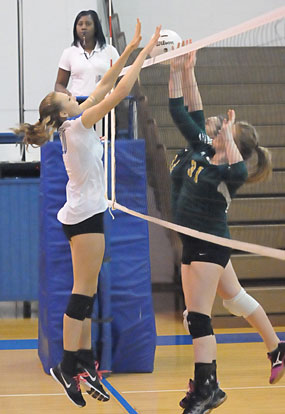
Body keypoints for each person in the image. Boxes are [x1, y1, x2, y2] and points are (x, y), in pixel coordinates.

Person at [14, 20, 161, 408]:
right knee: (82, 293)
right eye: (64, 97)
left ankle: (81, 363)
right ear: (63, 110)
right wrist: (147, 55)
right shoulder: (79, 125)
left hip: (82, 213)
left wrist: (127, 49)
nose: (70, 95)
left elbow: (105, 82)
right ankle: (67, 364)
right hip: (84, 216)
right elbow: (120, 91)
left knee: (88, 290)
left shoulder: (73, 122)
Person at [168, 47, 285, 414]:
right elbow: (184, 108)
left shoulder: (229, 173)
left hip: (208, 244)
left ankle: (208, 388)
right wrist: (182, 69)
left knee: (198, 316)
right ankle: (276, 347)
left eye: (222, 128)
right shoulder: (202, 148)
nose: (214, 125)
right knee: (233, 300)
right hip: (192, 239)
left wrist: (231, 139)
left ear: (230, 142)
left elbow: (236, 167)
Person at [55, 9, 119, 98]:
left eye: (88, 24)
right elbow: (59, 85)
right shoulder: (68, 53)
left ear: (96, 27)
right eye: (80, 24)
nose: (83, 27)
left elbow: (121, 79)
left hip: (104, 103)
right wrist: (67, 95)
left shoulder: (110, 51)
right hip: (78, 104)